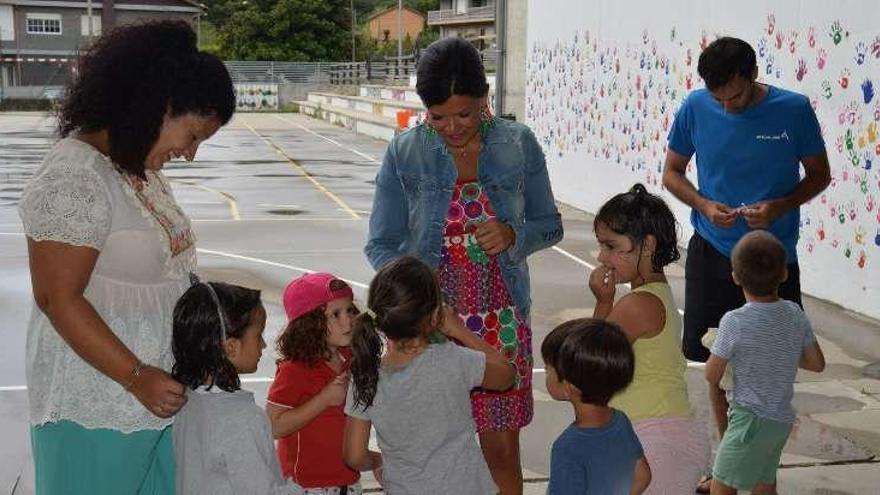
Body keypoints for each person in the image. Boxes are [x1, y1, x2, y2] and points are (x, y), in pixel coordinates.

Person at [18, 20, 234, 494]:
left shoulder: (138, 171)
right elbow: (57, 297)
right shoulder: (75, 175)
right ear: (156, 106)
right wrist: (135, 376)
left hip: (155, 402)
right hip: (98, 407)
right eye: (193, 134)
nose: (191, 154)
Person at [364, 36, 563, 494]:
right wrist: (416, 288)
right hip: (429, 328)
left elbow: (550, 224)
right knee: (431, 452)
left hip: (502, 322)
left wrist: (515, 235)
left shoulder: (519, 143)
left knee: (501, 455)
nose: (452, 127)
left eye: (464, 114)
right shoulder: (404, 152)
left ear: (484, 99)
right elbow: (380, 244)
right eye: (437, 117)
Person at [343, 256, 515, 494]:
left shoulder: (365, 374)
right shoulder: (454, 359)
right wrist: (459, 330)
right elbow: (506, 375)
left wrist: (377, 461)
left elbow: (354, 456)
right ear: (435, 317)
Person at [588, 184, 710, 494]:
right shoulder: (650, 295)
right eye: (602, 245)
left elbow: (587, 364)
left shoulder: (638, 305)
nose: (603, 256)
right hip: (656, 435)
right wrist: (605, 302)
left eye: (612, 246)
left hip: (658, 441)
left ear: (647, 245)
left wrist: (603, 304)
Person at [706, 231, 826, 494]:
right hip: (779, 422)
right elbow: (817, 363)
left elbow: (711, 375)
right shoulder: (795, 314)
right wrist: (778, 352)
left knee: (721, 486)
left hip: (749, 422)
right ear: (784, 273)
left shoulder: (734, 321)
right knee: (764, 484)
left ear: (735, 276)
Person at [171, 281, 304, 494]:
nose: (263, 345)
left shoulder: (187, 399)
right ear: (231, 347)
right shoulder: (242, 418)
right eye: (258, 335)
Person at [266, 273, 381, 494]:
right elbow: (274, 427)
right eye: (335, 315)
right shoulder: (296, 368)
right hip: (307, 486)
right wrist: (323, 400)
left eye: (349, 310)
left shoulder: (351, 358)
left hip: (347, 482)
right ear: (309, 325)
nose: (347, 321)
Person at [541, 318, 651, 494]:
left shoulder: (567, 447)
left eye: (548, 369)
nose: (545, 373)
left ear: (570, 385)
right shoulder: (620, 420)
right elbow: (643, 475)